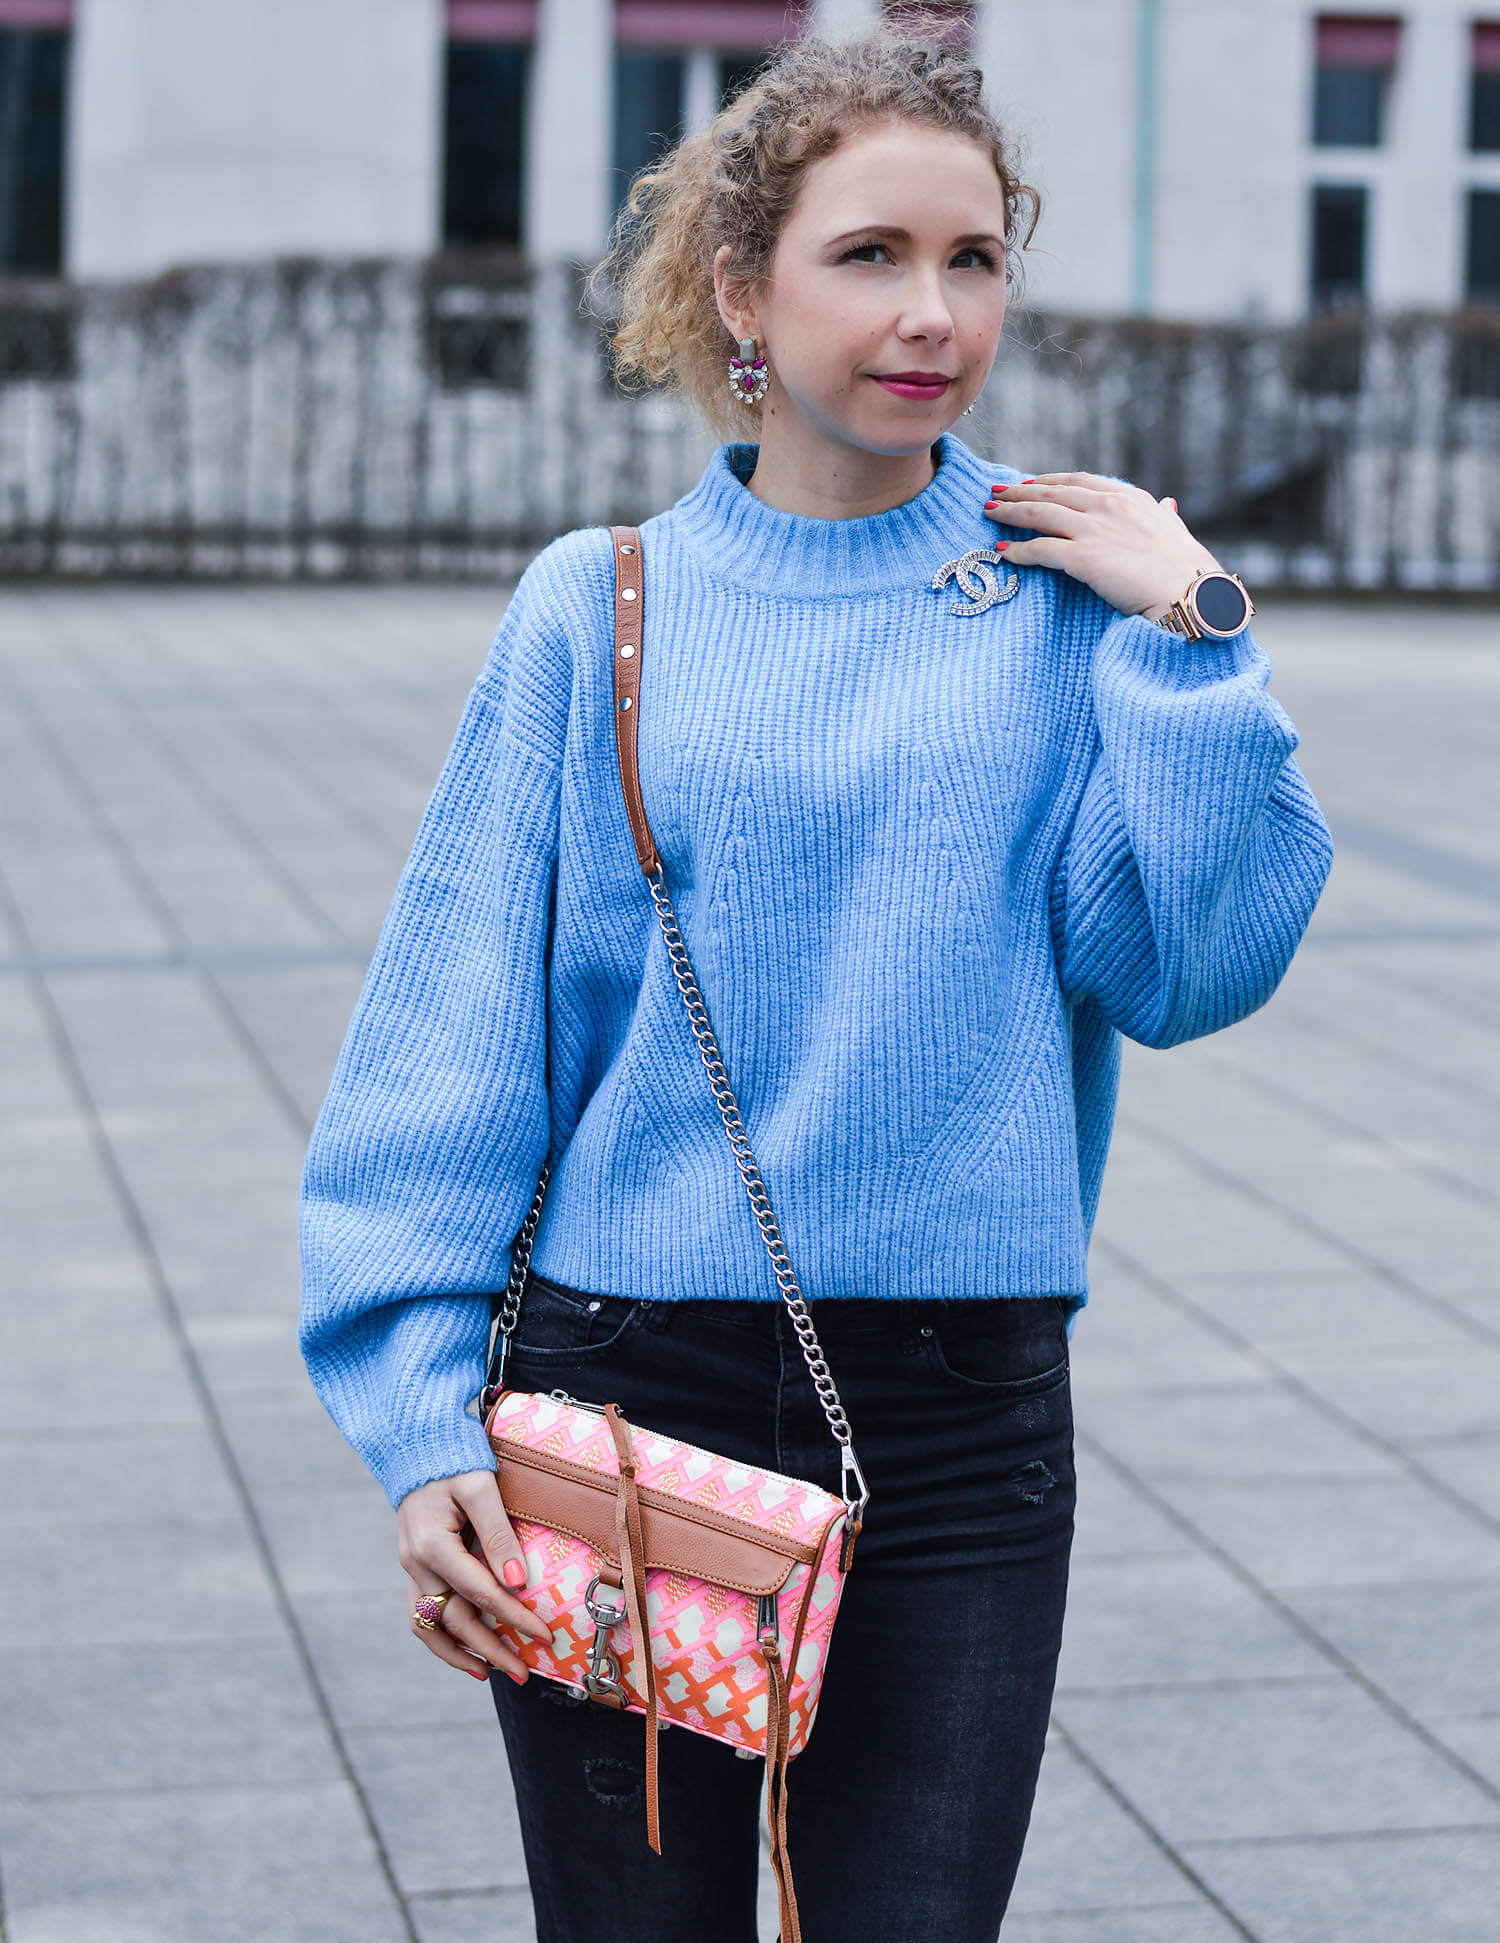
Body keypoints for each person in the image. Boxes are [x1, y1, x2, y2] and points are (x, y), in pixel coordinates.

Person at [299, 29, 1334, 1942]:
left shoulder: (1062, 597)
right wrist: (419, 1409)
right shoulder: (597, 601)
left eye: (976, 257)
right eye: (871, 255)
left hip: (961, 1416)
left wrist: (1193, 641)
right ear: (743, 288)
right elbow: (454, 1039)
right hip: (629, 1391)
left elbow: (1188, 971)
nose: (934, 313)